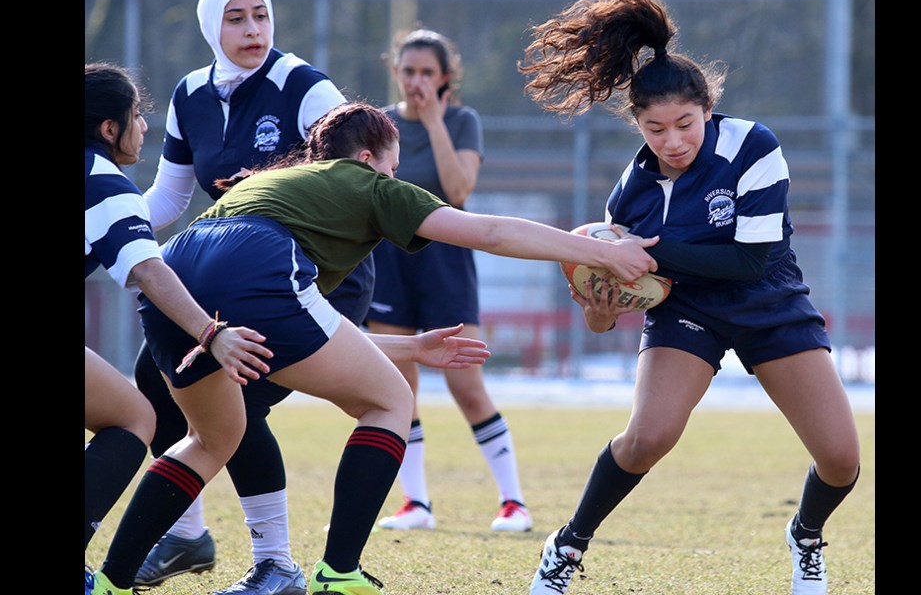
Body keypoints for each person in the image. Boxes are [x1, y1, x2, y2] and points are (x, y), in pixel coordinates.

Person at [83, 100, 659, 595]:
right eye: (393, 164)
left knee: (211, 439)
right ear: (367, 160)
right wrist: (601, 253)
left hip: (176, 275)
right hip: (255, 266)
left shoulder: (271, 185)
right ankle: (339, 570)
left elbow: (300, 328)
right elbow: (488, 231)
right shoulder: (365, 183)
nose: (395, 175)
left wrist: (410, 349)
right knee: (389, 402)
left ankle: (111, 579)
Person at [517, 0, 860, 595]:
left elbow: (750, 262)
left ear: (708, 108)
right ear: (638, 125)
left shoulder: (753, 146)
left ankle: (805, 537)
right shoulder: (628, 195)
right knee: (647, 438)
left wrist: (641, 251)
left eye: (685, 124)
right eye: (655, 129)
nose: (673, 141)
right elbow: (609, 316)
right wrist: (600, 305)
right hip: (687, 312)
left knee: (841, 460)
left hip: (768, 302)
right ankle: (566, 545)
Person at [128, 0, 378, 595]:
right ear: (212, 26)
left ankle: (276, 564)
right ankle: (187, 536)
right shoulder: (190, 93)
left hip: (312, 276)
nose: (252, 30)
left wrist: (278, 179)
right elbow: (167, 198)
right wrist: (105, 223)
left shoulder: (302, 85)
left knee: (232, 404)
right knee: (155, 384)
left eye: (261, 15)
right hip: (233, 280)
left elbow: (353, 175)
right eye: (236, 18)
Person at [84, 63, 272, 571]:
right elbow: (150, 271)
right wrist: (211, 332)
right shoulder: (104, 183)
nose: (144, 125)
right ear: (109, 129)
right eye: (137, 115)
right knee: (134, 418)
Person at [365, 28, 531, 533]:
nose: (416, 81)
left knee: (466, 383)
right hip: (389, 262)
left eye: (427, 73)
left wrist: (434, 120)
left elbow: (459, 189)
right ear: (395, 72)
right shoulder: (379, 125)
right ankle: (416, 503)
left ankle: (514, 503)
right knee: (399, 383)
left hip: (446, 260)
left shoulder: (461, 121)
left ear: (445, 79)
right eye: (408, 71)